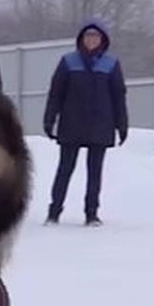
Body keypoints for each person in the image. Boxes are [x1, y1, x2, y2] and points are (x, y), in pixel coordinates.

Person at [41, 18, 129, 227]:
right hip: (72, 124)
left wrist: (122, 124)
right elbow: (56, 94)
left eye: (96, 36)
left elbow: (119, 96)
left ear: (102, 40)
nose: (91, 40)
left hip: (100, 126)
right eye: (88, 36)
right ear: (81, 39)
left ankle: (91, 213)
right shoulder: (68, 62)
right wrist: (49, 119)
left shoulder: (111, 64)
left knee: (94, 172)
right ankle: (54, 212)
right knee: (65, 169)